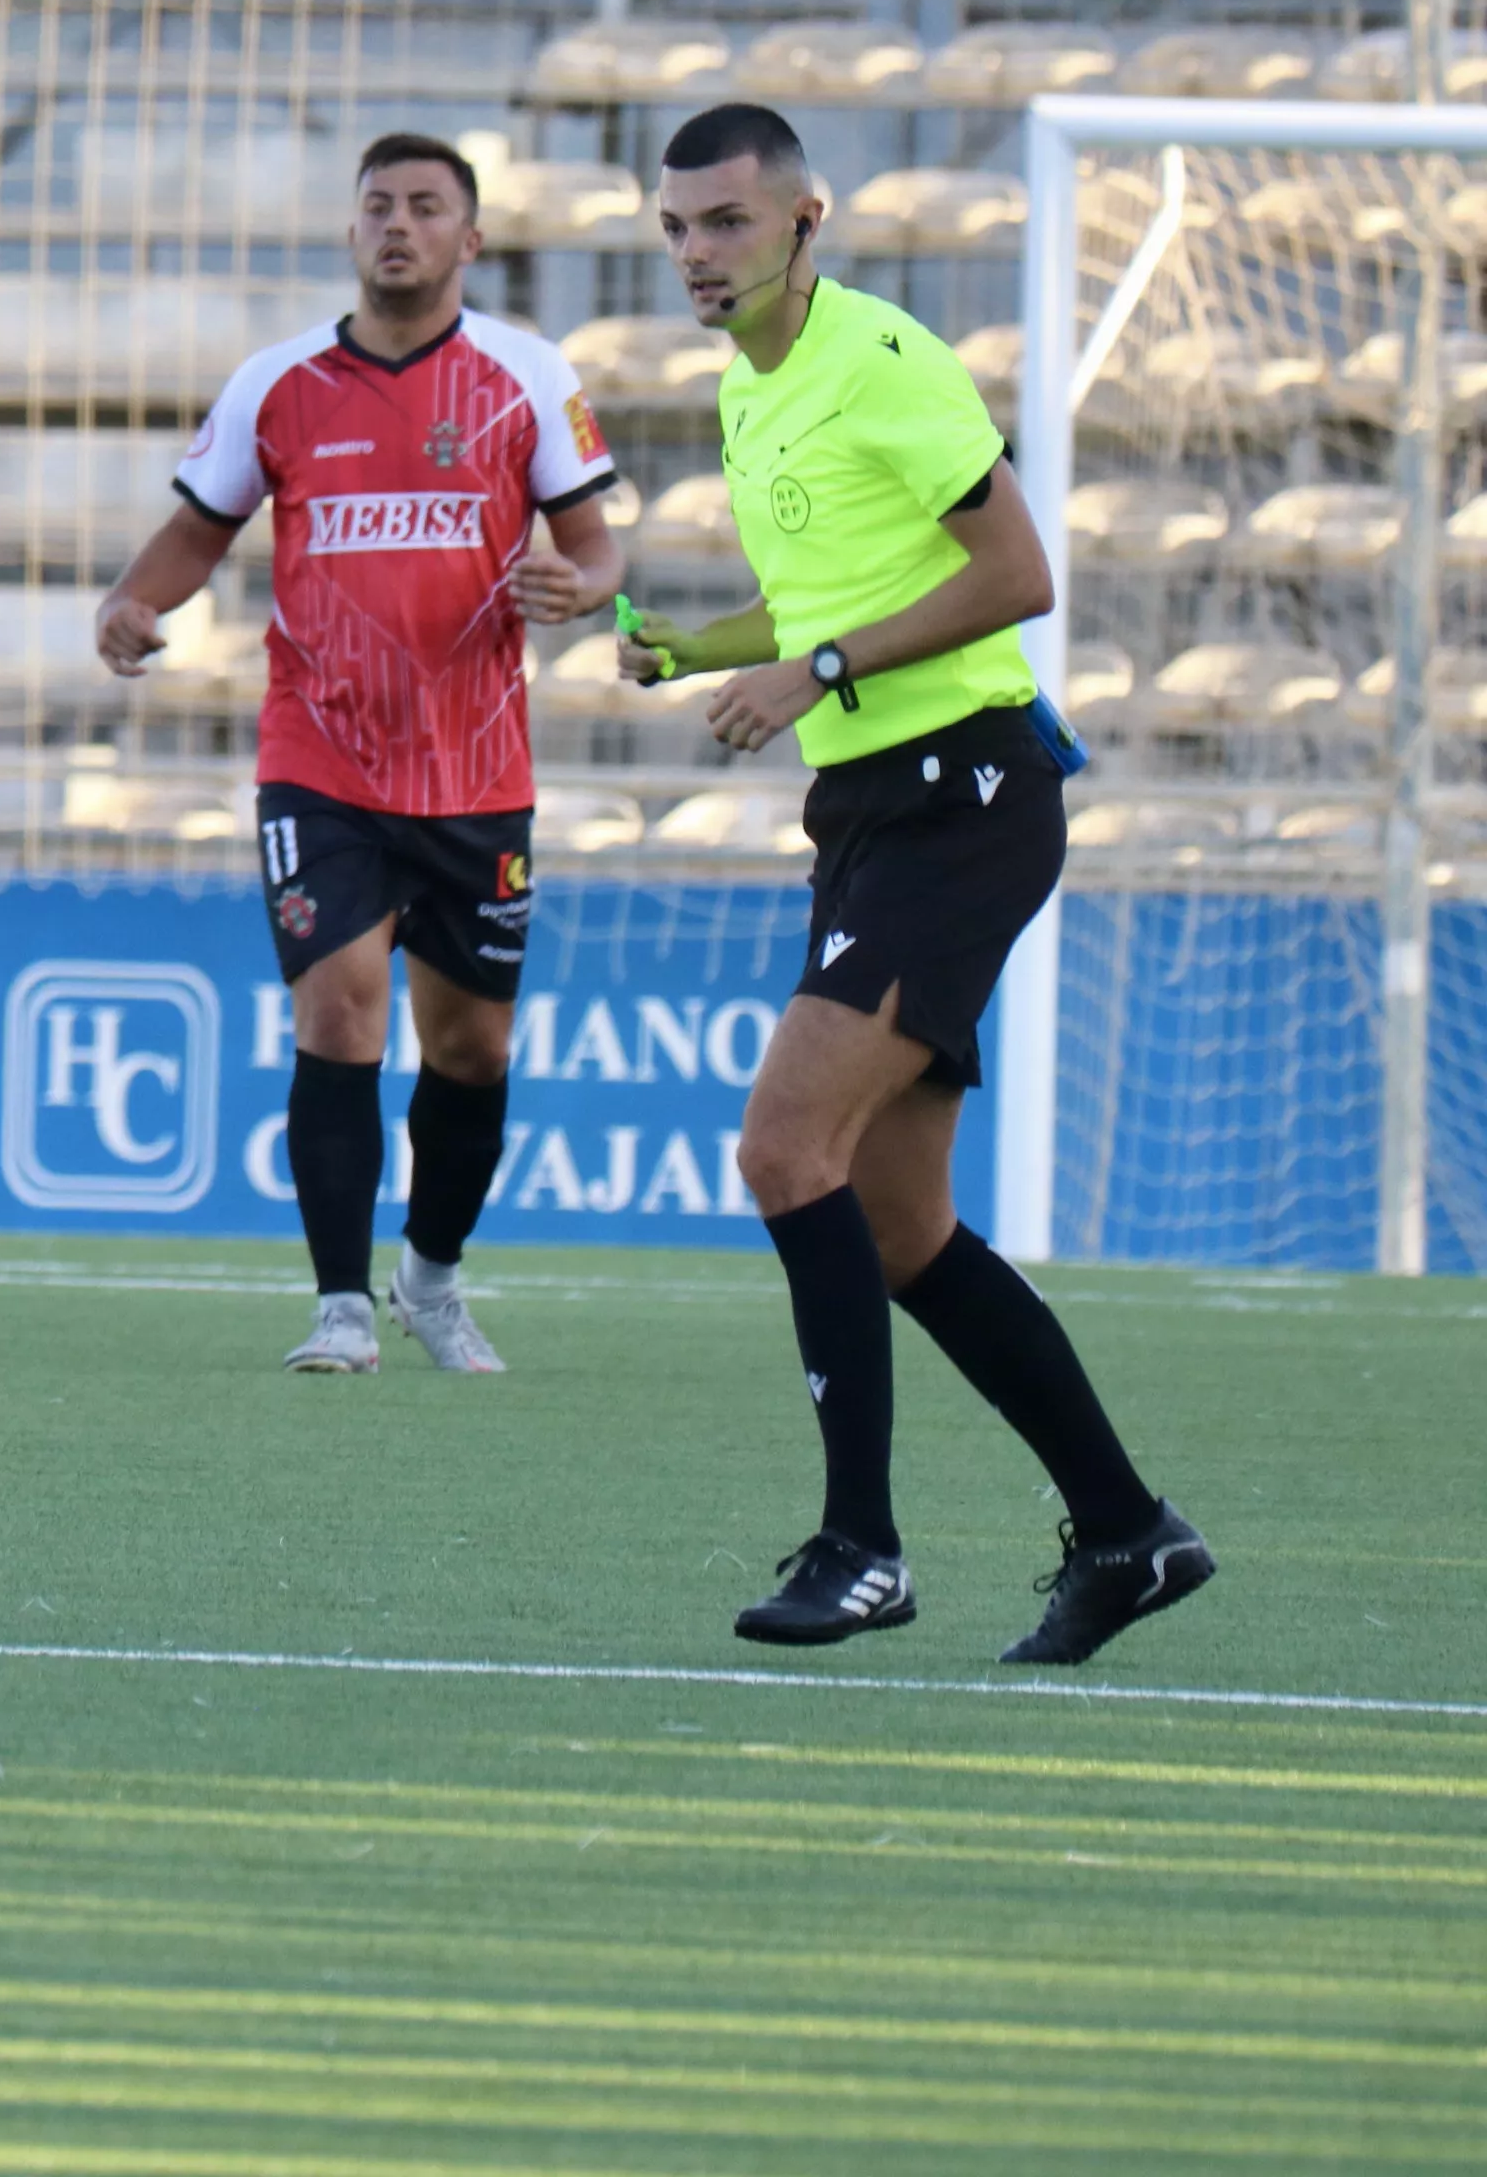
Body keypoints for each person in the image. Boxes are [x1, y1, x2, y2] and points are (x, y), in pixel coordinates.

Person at [620, 99, 1208, 1662]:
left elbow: (1019, 577)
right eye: (677, 229)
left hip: (968, 797)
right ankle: (1130, 1533)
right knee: (896, 1226)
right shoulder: (755, 390)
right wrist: (687, 641)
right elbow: (812, 594)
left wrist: (815, 667)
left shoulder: (880, 361)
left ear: (809, 218)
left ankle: (862, 1547)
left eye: (728, 223)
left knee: (781, 1146)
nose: (698, 254)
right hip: (876, 811)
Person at [98, 133, 625, 1374]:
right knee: (340, 1015)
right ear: (351, 231)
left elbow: (598, 551)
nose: (399, 224)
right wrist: (133, 604)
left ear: (470, 238)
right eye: (378, 205)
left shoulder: (528, 376)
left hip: (477, 770)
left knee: (473, 1048)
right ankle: (340, 1304)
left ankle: (429, 1282)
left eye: (426, 207)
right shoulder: (279, 383)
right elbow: (197, 527)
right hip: (319, 758)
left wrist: (577, 585)